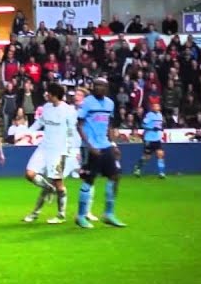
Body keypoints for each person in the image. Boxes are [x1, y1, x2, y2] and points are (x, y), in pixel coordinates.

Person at [76, 77, 126, 228]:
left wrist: (113, 143)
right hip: (92, 147)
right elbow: (79, 124)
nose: (98, 88)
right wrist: (89, 145)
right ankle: (80, 216)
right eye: (96, 85)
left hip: (105, 145)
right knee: (89, 180)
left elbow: (108, 125)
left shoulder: (110, 103)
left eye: (102, 86)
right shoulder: (87, 103)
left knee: (115, 176)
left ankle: (108, 214)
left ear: (107, 88)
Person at [22, 84, 75, 224]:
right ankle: (48, 188)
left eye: (48, 93)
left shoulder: (68, 110)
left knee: (59, 183)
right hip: (44, 148)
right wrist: (25, 133)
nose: (46, 95)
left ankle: (59, 215)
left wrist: (72, 150)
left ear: (54, 94)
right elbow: (39, 123)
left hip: (59, 151)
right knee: (29, 174)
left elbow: (72, 132)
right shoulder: (46, 107)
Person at [133, 100, 167, 179]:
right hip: (149, 139)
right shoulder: (149, 115)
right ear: (152, 107)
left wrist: (161, 128)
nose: (157, 107)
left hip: (157, 139)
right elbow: (143, 125)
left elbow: (159, 125)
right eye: (155, 106)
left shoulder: (160, 115)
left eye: (158, 106)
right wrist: (151, 128)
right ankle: (137, 168)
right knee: (147, 157)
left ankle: (161, 173)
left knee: (160, 154)